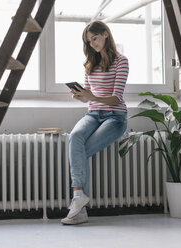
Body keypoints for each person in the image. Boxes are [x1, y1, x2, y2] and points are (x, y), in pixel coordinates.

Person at [61, 21, 129, 225]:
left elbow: (116, 98)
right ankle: (79, 199)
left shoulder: (121, 61)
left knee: (81, 152)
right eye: (89, 42)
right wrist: (83, 96)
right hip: (93, 113)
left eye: (95, 39)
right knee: (75, 138)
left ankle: (79, 207)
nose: (92, 44)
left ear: (106, 34)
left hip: (115, 117)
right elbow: (91, 97)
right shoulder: (90, 64)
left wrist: (92, 96)